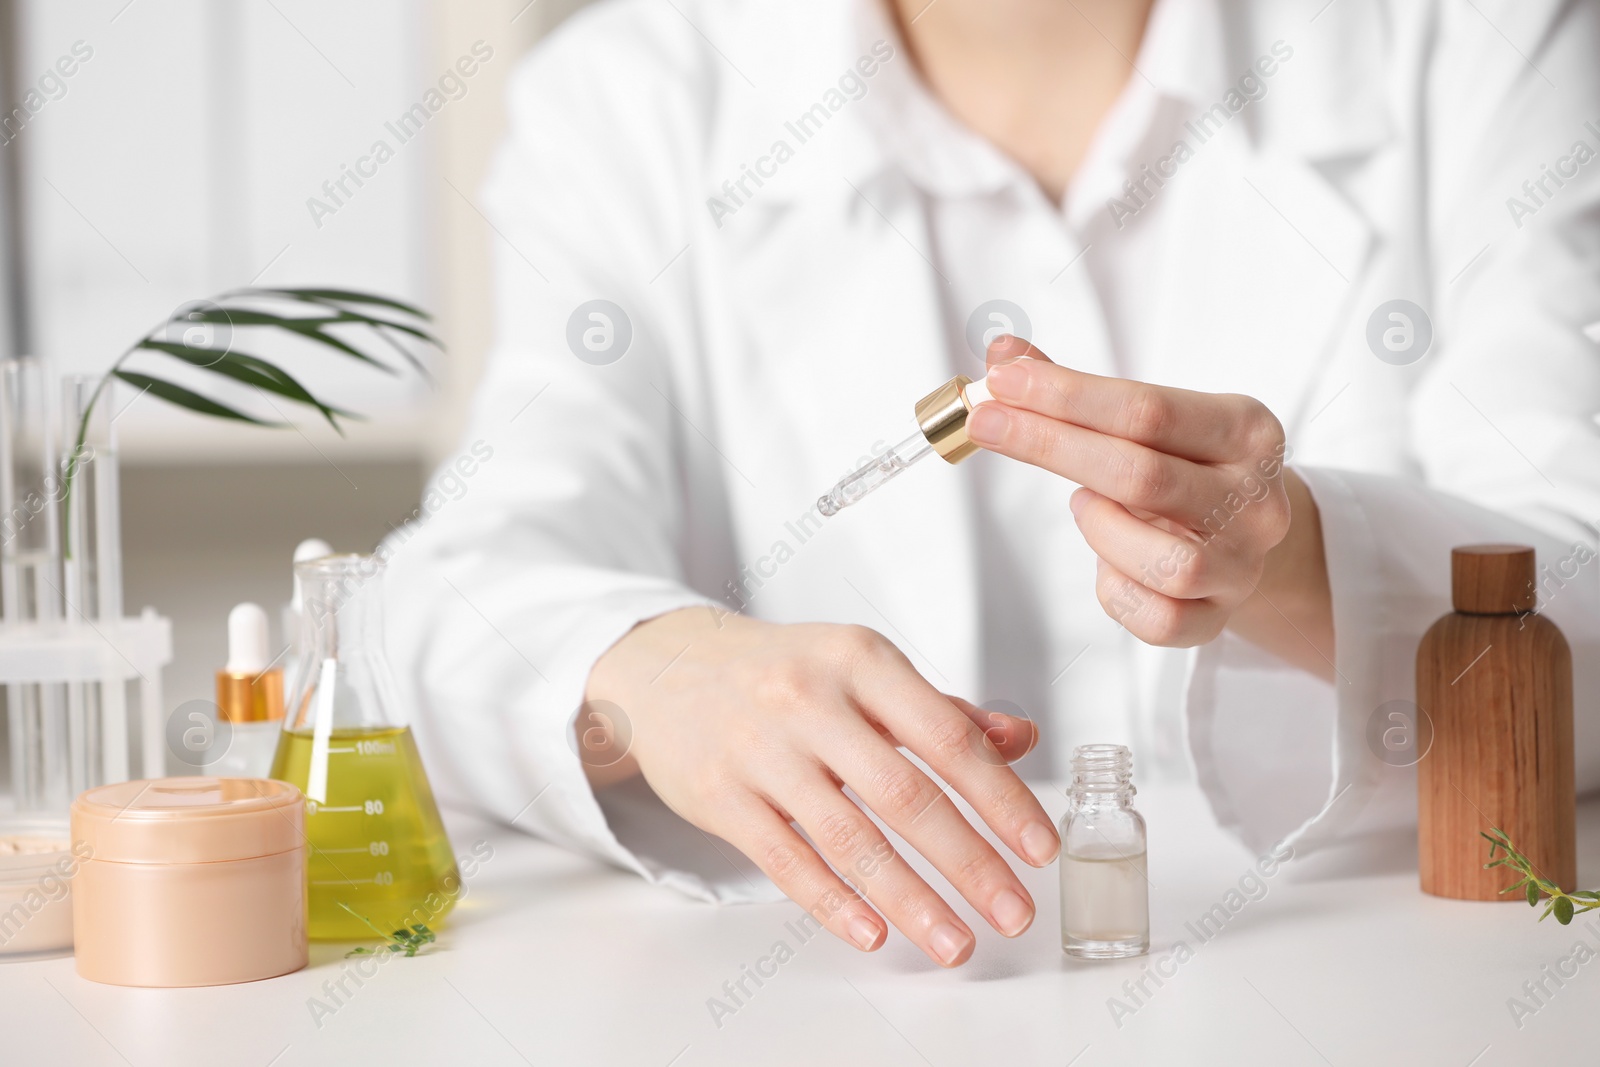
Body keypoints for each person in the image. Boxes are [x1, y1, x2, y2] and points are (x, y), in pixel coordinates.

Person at [384, 0, 1600, 968]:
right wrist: (656, 668)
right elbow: (442, 601)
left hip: (1361, 971)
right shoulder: (629, 98)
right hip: (874, 988)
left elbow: (1579, 589)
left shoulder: (1474, 39)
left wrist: (1288, 561)